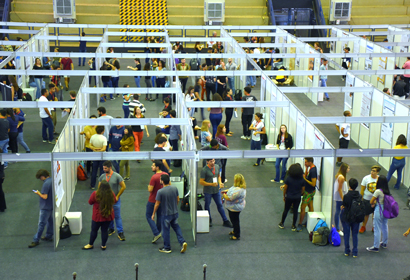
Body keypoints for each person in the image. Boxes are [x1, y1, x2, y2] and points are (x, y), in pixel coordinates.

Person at [152, 174, 187, 253]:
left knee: (165, 230)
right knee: (176, 227)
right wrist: (175, 207)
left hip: (166, 214)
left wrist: (153, 213)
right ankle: (182, 242)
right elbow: (177, 199)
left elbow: (157, 204)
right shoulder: (174, 188)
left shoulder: (160, 191)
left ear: (162, 181)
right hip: (175, 212)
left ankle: (167, 247)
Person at [82, 180, 116, 250]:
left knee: (94, 231)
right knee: (104, 231)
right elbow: (114, 201)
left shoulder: (95, 194)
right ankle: (103, 245)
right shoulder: (111, 194)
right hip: (107, 216)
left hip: (97, 217)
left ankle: (90, 244)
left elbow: (90, 202)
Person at [199, 159, 232, 228]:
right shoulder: (204, 170)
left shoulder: (216, 166)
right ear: (207, 162)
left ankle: (225, 220)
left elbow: (218, 176)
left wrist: (220, 183)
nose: (213, 162)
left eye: (213, 161)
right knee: (207, 205)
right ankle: (208, 219)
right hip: (208, 191)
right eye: (211, 161)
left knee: (220, 205)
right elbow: (201, 182)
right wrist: (211, 184)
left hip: (217, 190)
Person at [99, 161, 126, 241]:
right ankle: (111, 228)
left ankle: (120, 232)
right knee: (108, 215)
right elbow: (99, 188)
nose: (104, 169)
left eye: (105, 168)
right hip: (106, 201)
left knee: (117, 216)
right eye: (103, 168)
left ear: (110, 167)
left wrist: (117, 196)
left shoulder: (117, 176)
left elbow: (123, 187)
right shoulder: (102, 177)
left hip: (115, 201)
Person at [29, 169, 53, 248]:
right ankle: (49, 235)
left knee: (42, 223)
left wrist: (38, 193)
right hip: (51, 205)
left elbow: (44, 196)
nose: (40, 179)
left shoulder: (46, 184)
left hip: (45, 207)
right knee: (50, 221)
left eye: (40, 178)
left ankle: (36, 240)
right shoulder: (52, 180)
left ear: (43, 176)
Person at [366, 175, 390, 252]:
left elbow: (371, 201)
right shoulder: (387, 191)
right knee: (385, 225)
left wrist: (374, 202)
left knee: (377, 227)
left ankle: (376, 246)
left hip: (379, 209)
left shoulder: (378, 191)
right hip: (386, 209)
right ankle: (384, 243)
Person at [278, 164, 305, 231]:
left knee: (286, 210)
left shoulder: (288, 178)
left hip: (289, 196)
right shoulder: (302, 179)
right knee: (295, 211)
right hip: (297, 197)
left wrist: (284, 196)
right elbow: (303, 190)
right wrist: (299, 194)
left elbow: (285, 189)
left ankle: (282, 223)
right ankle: (293, 225)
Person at [147, 160, 168, 243]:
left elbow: (150, 189)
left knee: (148, 216)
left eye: (153, 165)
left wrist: (148, 186)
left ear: (157, 167)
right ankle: (158, 233)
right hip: (162, 200)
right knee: (159, 216)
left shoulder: (154, 177)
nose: (151, 167)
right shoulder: (166, 175)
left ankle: (156, 233)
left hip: (153, 200)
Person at [341, 178, 361, 258]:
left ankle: (347, 250)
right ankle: (355, 252)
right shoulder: (359, 196)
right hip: (356, 217)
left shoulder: (346, 196)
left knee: (346, 234)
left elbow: (344, 205)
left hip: (347, 217)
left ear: (349, 186)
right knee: (355, 234)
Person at [222, 174, 246, 240]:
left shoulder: (239, 190)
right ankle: (235, 230)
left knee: (235, 221)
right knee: (233, 220)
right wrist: (226, 191)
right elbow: (230, 189)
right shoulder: (238, 186)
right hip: (233, 207)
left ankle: (237, 235)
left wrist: (224, 195)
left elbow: (230, 198)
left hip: (235, 208)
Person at [298, 157, 317, 230]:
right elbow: (306, 176)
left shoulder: (313, 171)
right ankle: (310, 222)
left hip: (309, 192)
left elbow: (313, 184)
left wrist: (305, 180)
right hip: (309, 191)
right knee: (310, 206)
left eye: (306, 162)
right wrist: (306, 168)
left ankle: (300, 224)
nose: (304, 163)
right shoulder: (310, 168)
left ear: (310, 162)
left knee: (303, 207)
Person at [359, 165, 380, 234]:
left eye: (374, 171)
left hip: (376, 200)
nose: (372, 172)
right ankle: (363, 226)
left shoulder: (379, 179)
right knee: (366, 214)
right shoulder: (366, 178)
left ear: (377, 172)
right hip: (366, 199)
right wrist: (361, 200)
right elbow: (362, 190)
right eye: (371, 170)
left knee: (375, 214)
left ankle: (374, 227)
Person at [334, 163, 350, 236]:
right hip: (340, 198)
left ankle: (339, 228)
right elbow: (339, 189)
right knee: (339, 212)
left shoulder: (340, 175)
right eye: (348, 168)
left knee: (339, 212)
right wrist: (343, 199)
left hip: (340, 197)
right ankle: (338, 228)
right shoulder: (342, 177)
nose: (349, 170)